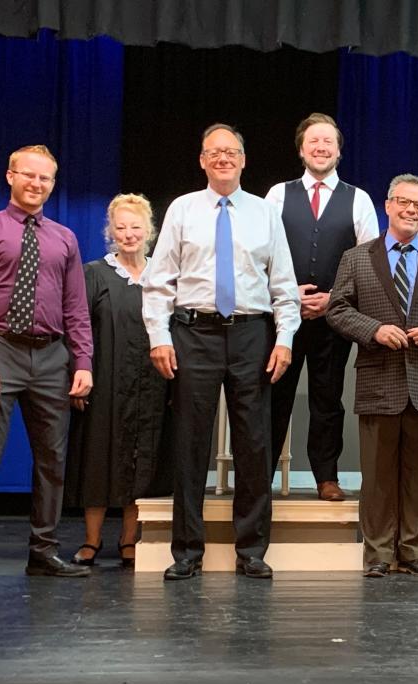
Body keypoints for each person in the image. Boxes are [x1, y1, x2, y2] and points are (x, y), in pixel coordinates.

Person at [142, 123, 300, 581]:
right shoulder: (182, 209)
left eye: (231, 152)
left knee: (254, 444)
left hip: (253, 334)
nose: (223, 158)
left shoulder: (265, 212)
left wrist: (285, 338)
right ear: (202, 160)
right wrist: (159, 337)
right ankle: (187, 551)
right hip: (194, 333)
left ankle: (251, 549)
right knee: (190, 445)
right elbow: (159, 282)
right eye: (214, 152)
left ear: (244, 160)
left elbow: (284, 285)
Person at [327, 173, 418, 578]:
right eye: (403, 203)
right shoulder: (356, 258)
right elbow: (337, 309)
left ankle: (414, 552)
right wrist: (372, 330)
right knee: (376, 477)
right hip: (379, 379)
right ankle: (377, 553)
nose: (410, 210)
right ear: (388, 205)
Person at [0, 144, 93, 582]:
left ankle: (44, 551)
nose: (37, 184)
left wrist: (83, 361)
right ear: (10, 176)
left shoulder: (64, 239)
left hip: (52, 356)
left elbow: (76, 307)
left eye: (45, 178)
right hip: (0, 349)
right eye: (29, 175)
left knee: (52, 459)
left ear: (53, 184)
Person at [265, 113, 379, 502]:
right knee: (274, 398)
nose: (321, 147)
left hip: (335, 318)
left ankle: (326, 477)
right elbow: (262, 253)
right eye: (313, 141)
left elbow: (370, 260)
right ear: (301, 149)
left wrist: (335, 298)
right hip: (284, 316)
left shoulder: (358, 198)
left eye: (328, 141)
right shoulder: (279, 194)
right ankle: (259, 477)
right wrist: (289, 293)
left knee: (327, 400)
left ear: (338, 151)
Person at [65, 193, 170, 569]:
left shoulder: (164, 274)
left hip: (152, 384)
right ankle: (92, 541)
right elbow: (76, 327)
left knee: (141, 459)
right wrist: (80, 374)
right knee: (98, 455)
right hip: (104, 380)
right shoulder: (95, 273)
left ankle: (129, 539)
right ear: (111, 231)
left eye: (136, 227)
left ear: (149, 231)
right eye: (121, 227)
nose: (129, 234)